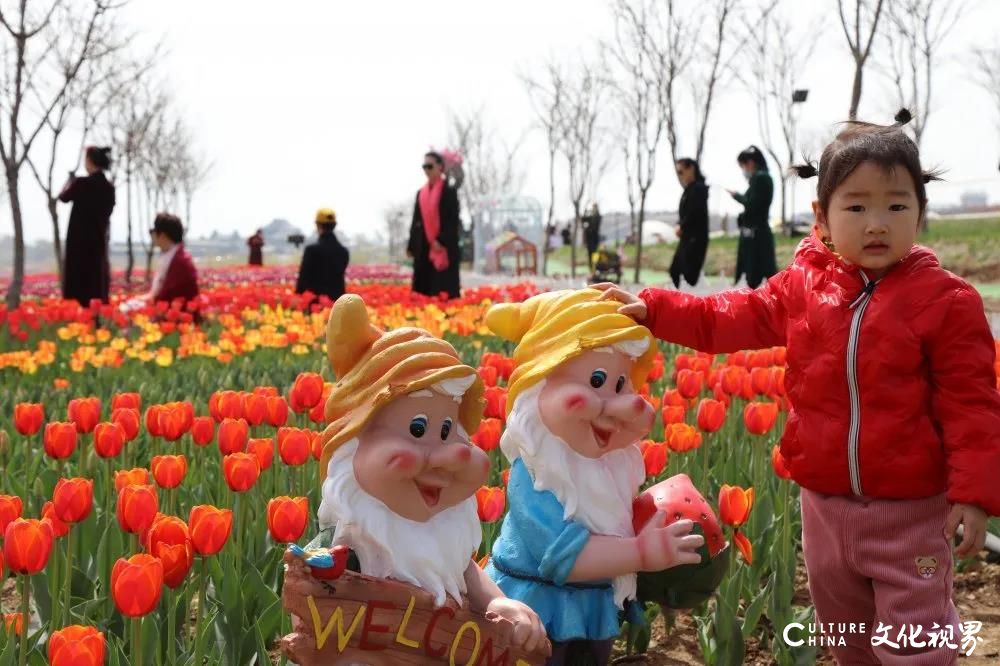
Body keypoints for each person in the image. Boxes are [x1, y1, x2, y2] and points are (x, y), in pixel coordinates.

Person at [593, 110, 1000, 665]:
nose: (876, 222)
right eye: (856, 206)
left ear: (920, 214)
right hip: (825, 506)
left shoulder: (946, 302)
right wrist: (656, 309)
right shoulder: (803, 287)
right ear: (823, 217)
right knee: (845, 632)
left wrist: (973, 496)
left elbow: (972, 406)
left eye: (896, 205)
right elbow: (726, 316)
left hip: (910, 512)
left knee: (916, 638)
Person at [59, 146, 116, 306]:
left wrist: (70, 180)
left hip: (79, 244)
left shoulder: (81, 183)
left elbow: (63, 197)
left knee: (78, 285)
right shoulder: (109, 188)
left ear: (89, 161)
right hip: (98, 242)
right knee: (96, 283)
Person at [407, 151, 461, 299]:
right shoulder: (421, 193)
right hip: (424, 247)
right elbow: (416, 221)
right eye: (424, 166)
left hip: (444, 248)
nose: (426, 170)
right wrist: (411, 245)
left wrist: (441, 240)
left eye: (429, 166)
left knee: (443, 291)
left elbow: (453, 221)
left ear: (440, 167)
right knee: (423, 291)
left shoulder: (449, 191)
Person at [728, 145, 776, 288]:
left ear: (750, 162)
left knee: (754, 276)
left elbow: (753, 205)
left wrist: (737, 196)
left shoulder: (760, 178)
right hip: (756, 234)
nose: (744, 169)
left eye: (743, 165)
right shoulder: (763, 178)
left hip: (756, 237)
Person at [295, 208, 349, 306]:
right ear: (334, 225)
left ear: (318, 225)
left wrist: (298, 298)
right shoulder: (343, 252)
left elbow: (303, 279)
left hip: (315, 304)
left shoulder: (311, 250)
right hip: (337, 306)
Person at [669, 158, 710, 288]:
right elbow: (684, 213)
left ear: (691, 168)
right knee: (675, 271)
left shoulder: (699, 188)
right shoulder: (688, 190)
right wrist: (679, 224)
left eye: (681, 171)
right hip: (686, 238)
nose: (680, 176)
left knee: (688, 276)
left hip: (695, 240)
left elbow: (695, 212)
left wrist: (682, 226)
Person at [582, 204, 602, 270]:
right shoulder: (589, 217)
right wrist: (585, 211)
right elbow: (583, 220)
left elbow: (596, 225)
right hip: (589, 239)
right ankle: (591, 267)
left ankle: (594, 266)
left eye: (594, 207)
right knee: (590, 253)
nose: (593, 209)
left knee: (595, 253)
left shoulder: (598, 216)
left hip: (594, 238)